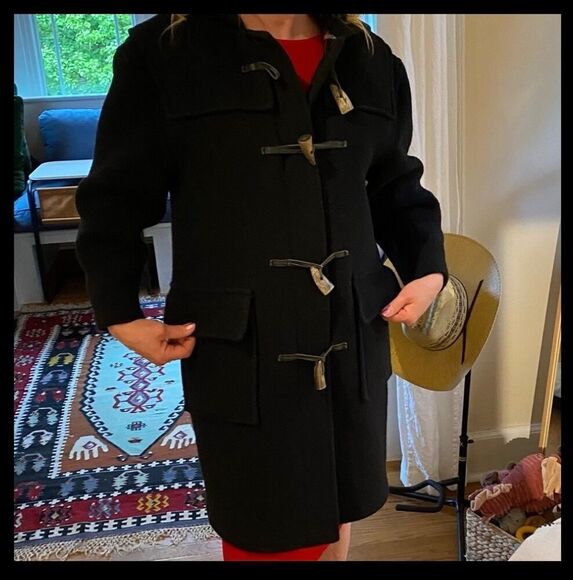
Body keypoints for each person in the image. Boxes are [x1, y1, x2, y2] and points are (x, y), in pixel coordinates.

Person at [76, 13, 448, 561]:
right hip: (246, 349)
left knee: (336, 511)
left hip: (348, 339)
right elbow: (116, 195)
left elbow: (395, 183)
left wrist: (427, 266)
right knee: (263, 527)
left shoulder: (370, 57)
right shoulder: (163, 53)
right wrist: (119, 310)